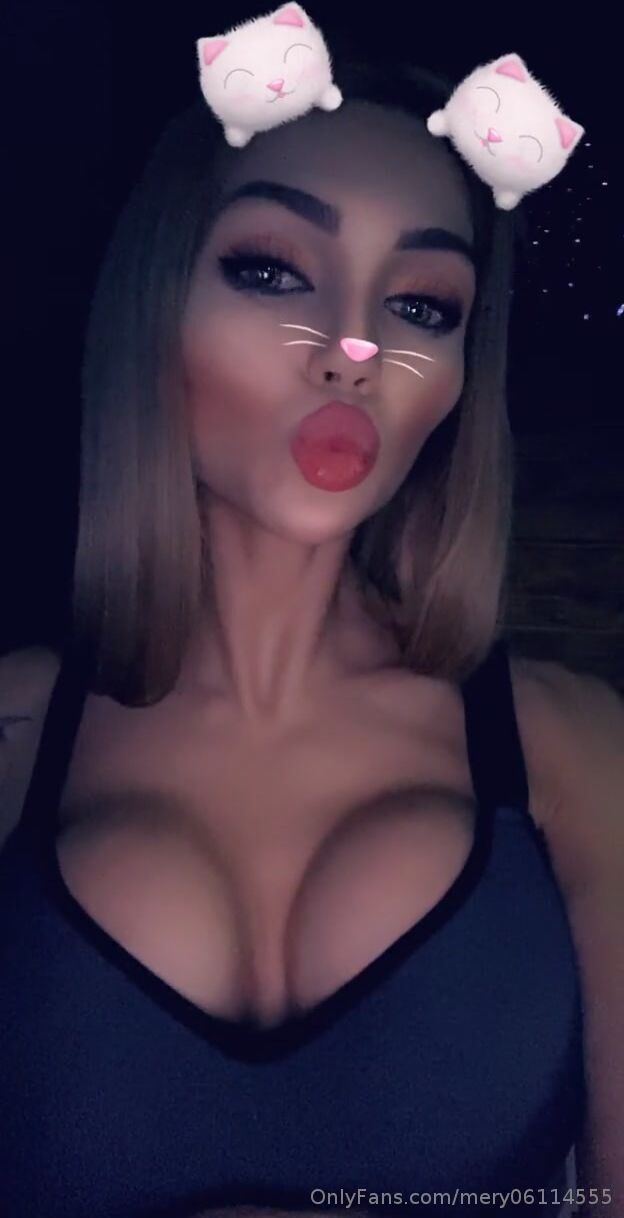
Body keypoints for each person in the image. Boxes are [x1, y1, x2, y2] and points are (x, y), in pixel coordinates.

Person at [0, 53, 584, 1218]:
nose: (351, 352)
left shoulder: (575, 753)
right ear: (155, 300)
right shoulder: (15, 730)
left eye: (422, 306)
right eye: (272, 270)